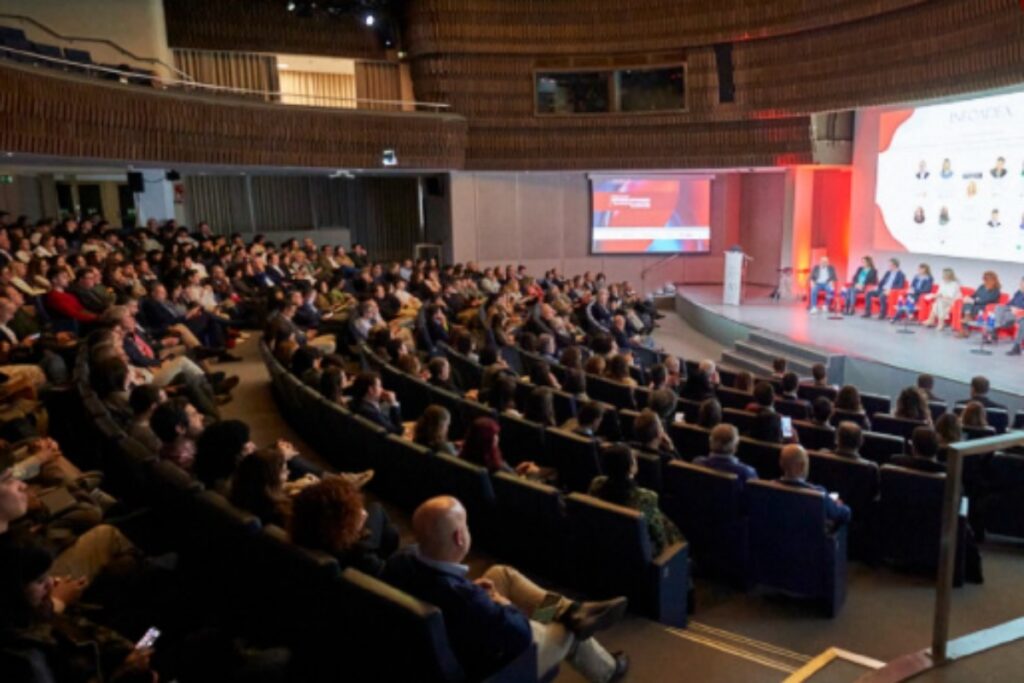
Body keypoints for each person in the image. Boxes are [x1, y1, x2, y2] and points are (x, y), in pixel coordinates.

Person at [382, 497, 630, 682]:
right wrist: (503, 603)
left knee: (502, 574)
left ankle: (571, 609)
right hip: (503, 662)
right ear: (460, 537)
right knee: (571, 628)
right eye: (466, 525)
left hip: (456, 629)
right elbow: (520, 634)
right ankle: (607, 670)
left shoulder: (400, 562)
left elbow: (448, 596)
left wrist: (479, 593)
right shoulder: (470, 601)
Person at [290, 476, 399, 577]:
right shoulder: (363, 558)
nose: (362, 512)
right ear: (343, 526)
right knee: (384, 519)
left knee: (386, 525)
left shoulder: (303, 530)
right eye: (355, 512)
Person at [588, 444, 682, 556]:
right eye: (633, 458)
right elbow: (659, 538)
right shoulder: (645, 498)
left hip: (605, 547)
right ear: (631, 468)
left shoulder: (596, 484)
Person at [778, 445, 851, 527]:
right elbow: (845, 514)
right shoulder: (818, 493)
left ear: (781, 463)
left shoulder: (767, 488)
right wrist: (838, 505)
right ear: (802, 466)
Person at [229, 447, 293, 527]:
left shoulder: (238, 491)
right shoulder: (279, 512)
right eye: (284, 471)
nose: (289, 472)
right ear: (270, 480)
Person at [460, 417, 540, 478]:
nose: (498, 438)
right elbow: (515, 483)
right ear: (491, 441)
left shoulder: (461, 460)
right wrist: (529, 474)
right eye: (496, 435)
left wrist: (516, 471)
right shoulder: (496, 468)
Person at [350, 371, 403, 435]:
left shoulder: (353, 403)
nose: (382, 389)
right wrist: (393, 403)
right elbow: (398, 431)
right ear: (371, 390)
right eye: (380, 386)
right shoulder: (372, 414)